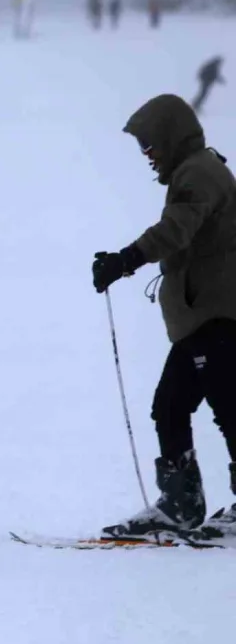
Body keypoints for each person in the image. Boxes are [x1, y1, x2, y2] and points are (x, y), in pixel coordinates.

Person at [92, 94, 236, 539]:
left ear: (171, 137)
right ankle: (180, 503)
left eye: (150, 144)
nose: (148, 155)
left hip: (216, 315)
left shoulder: (198, 174)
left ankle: (180, 505)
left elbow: (176, 229)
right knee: (175, 407)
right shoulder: (199, 170)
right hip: (207, 315)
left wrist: (125, 259)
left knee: (212, 408)